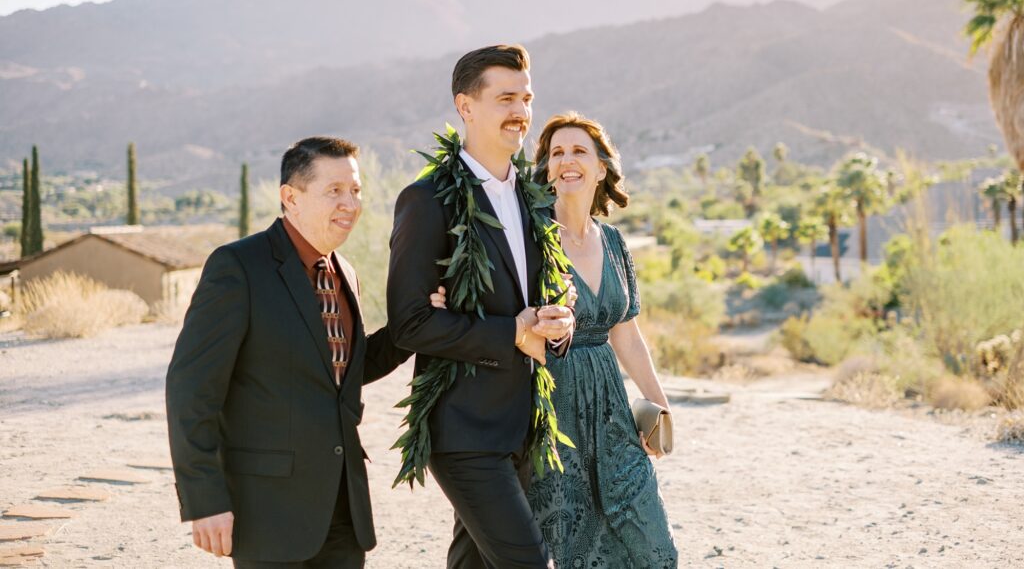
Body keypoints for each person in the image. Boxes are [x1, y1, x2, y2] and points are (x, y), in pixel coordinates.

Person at [166, 136, 445, 568]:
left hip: (343, 509)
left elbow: (345, 370)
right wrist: (204, 500)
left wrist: (413, 323)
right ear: (290, 198)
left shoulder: (344, 272)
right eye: (333, 191)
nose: (350, 204)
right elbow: (191, 390)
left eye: (355, 191)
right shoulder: (238, 267)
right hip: (268, 512)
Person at [387, 44, 575, 568]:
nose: (521, 111)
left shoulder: (534, 196)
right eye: (506, 98)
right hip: (465, 429)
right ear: (465, 107)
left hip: (522, 423)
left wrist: (559, 322)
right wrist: (511, 331)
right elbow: (410, 322)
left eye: (527, 98)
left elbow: (540, 303)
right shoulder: (427, 201)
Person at [526, 111, 679, 568]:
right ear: (546, 169)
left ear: (601, 169)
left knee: (655, 547)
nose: (566, 160)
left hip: (613, 413)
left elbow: (626, 333)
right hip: (555, 408)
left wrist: (659, 405)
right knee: (578, 550)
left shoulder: (613, 242)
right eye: (556, 153)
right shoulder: (532, 237)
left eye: (578, 151)